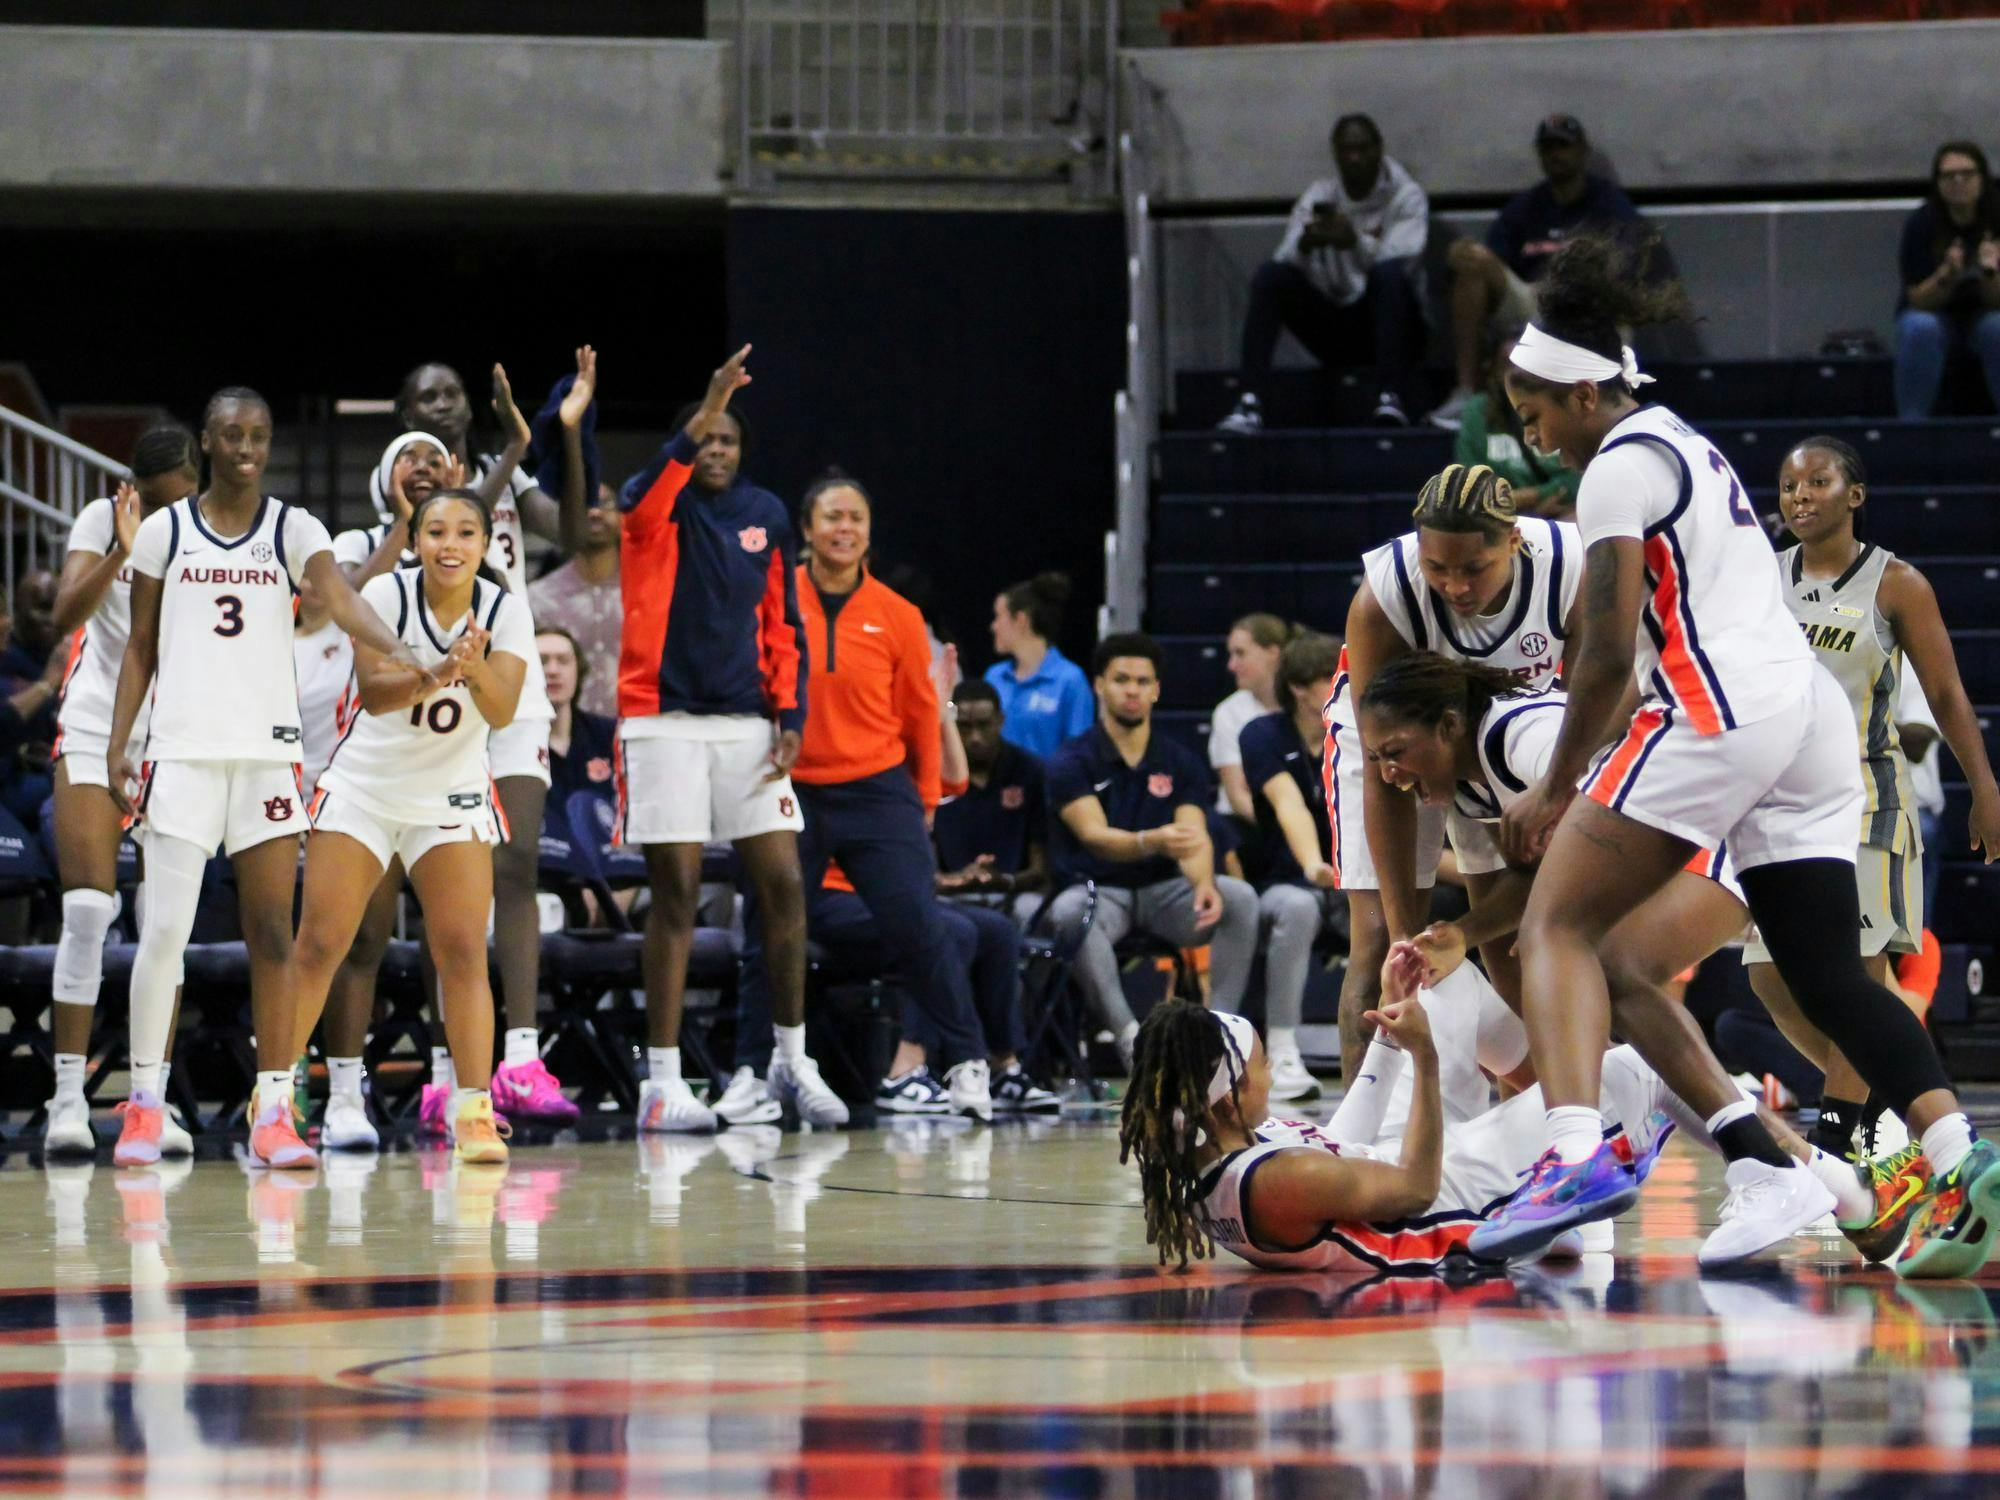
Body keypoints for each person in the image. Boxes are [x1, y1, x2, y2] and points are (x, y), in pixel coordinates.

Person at [1470, 236, 1998, 1280]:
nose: (1529, 434)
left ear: (1578, 393)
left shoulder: (1616, 470)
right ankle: (1956, 1154)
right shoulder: (1680, 437)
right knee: (1813, 973)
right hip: (1803, 721)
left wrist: (1554, 784)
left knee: (1555, 925)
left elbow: (1611, 651)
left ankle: (1573, 1158)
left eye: (1532, 413)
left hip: (1721, 713)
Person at [1358, 653, 1899, 1265]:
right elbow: (1550, 871)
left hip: (1729, 822)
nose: (1389, 771)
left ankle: (1599, 1162)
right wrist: (1464, 930)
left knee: (1601, 969)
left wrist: (1544, 925)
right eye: (1376, 759)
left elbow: (1615, 826)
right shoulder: (1472, 782)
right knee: (1635, 1030)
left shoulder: (1523, 738)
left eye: (1395, 750)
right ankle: (1829, 1182)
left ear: (1450, 726)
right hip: (1708, 822)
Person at [104, 386, 422, 1171]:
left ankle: (274, 1109)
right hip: (180, 751)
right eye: (232, 435)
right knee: (166, 932)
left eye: (259, 435)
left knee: (274, 936)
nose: (247, 447)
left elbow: (339, 596)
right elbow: (139, 645)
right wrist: (122, 741)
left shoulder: (294, 527)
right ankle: (144, 1106)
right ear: (207, 442)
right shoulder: (164, 533)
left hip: (267, 756)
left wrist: (401, 645)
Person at [1745, 437, 2000, 1170]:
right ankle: (1900, 1100)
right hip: (1778, 808)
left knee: (1855, 978)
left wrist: (1984, 789)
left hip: (1868, 805)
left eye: (1817, 482)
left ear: (1853, 495)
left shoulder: (1897, 584)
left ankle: (1843, 1147)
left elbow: (1948, 696)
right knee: (1770, 977)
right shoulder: (1763, 580)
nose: (1799, 496)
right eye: (1789, 485)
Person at [1122, 959, 1702, 1274]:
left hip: (1403, 1163)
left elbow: (1334, 1146)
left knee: (1447, 988)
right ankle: (1779, 1161)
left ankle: (1564, 1221)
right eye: (1263, 1064)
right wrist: (1422, 1058)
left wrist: (1391, 1036)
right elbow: (1417, 1189)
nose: (1271, 1074)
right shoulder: (1276, 1181)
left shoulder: (1209, 1147)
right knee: (1643, 1063)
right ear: (1227, 1096)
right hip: (1462, 1198)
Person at [616, 345, 843, 1134]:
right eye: (705, 438)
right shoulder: (655, 506)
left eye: (728, 441)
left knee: (782, 882)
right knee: (675, 893)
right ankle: (663, 1081)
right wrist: (709, 398)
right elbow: (642, 498)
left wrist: (792, 714)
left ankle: (790, 1059)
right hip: (662, 720)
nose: (717, 450)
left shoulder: (768, 514)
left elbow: (784, 622)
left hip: (749, 724)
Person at [283, 486, 531, 1165]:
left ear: (485, 545)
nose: (451, 544)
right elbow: (376, 692)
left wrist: (473, 669)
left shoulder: (505, 610)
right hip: (365, 787)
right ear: (417, 539)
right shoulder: (388, 595)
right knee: (321, 943)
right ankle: (274, 1101)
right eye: (437, 532)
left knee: (461, 953)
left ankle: (474, 1112)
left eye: (466, 533)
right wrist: (437, 671)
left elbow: (504, 711)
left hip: (448, 796)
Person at [391, 350, 595, 1125]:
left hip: (509, 685)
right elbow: (452, 521)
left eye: (452, 392)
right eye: (426, 395)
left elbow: (574, 533)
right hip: (437, 695)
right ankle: (450, 1072)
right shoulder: (404, 488)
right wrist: (515, 448)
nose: (443, 404)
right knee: (450, 887)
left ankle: (520, 1058)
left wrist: (564, 436)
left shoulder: (509, 479)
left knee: (516, 866)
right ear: (406, 416)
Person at [1325, 463, 1579, 1085]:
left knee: (1504, 933)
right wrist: (1407, 937)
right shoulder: (1386, 592)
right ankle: (1368, 1150)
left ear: (1514, 541)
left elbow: (1611, 677)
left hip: (1488, 740)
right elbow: (1385, 762)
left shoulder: (1571, 565)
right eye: (1438, 568)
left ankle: (1549, 1122)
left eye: (1473, 568)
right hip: (1393, 735)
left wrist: (1553, 789)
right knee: (1383, 941)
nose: (1455, 586)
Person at [782, 471, 994, 1120]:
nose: (844, 529)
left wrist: (925, 800)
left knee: (921, 928)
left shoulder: (899, 616)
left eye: (856, 518)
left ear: (869, 532)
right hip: (791, 788)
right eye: (832, 517)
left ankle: (968, 1062)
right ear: (807, 528)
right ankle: (755, 1069)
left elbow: (920, 715)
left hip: (877, 791)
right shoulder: (774, 598)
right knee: (770, 929)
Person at [40, 426, 201, 1158]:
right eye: (156, 504)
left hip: (172, 734)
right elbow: (63, 615)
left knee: (163, 924)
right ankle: (68, 1099)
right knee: (86, 909)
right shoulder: (107, 519)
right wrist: (122, 551)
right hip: (93, 720)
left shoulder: (214, 534)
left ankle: (149, 1101)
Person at [1044, 633, 1260, 1068]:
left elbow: (1193, 833)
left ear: (1156, 689)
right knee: (1070, 913)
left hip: (1166, 890)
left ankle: (1218, 1034)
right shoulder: (1072, 759)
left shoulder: (1178, 760)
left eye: (1143, 681)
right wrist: (1151, 840)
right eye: (1121, 679)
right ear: (1099, 685)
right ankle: (1131, 1040)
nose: (1132, 690)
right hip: (1099, 889)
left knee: (1238, 897)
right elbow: (1095, 836)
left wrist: (1202, 883)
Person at [1217, 113, 1428, 432]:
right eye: (1346, 150)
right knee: (1270, 276)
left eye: (1362, 149)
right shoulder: (1320, 195)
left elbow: (1403, 267)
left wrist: (1353, 242)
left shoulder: (1406, 197)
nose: (1354, 158)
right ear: (1336, 154)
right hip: (1338, 327)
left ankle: (1391, 395)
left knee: (1389, 277)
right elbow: (1283, 259)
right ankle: (1250, 401)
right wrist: (1306, 244)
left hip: (1394, 330)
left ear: (1379, 150)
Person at [1429, 115, 1641, 429]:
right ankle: (1466, 393)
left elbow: (1627, 266)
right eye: (1548, 147)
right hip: (1535, 300)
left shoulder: (1608, 204)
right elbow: (1495, 265)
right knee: (1470, 258)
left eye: (1563, 146)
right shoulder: (1524, 208)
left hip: (1591, 311)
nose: (1556, 154)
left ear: (1582, 151)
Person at [1238, 631, 1343, 1105]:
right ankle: (1281, 1047)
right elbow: (1289, 803)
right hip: (1282, 878)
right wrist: (1313, 864)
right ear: (1300, 689)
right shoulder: (1262, 734)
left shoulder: (1357, 735)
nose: (1345, 686)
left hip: (1352, 877)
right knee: (1298, 907)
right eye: (1332, 679)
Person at [1893, 141, 2000, 418]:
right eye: (1949, 176)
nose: (1958, 182)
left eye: (1967, 174)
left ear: (1982, 178)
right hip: (1936, 316)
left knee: (1997, 327)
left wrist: (1990, 273)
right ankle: (1912, 429)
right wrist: (1946, 277)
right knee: (1919, 327)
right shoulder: (1922, 223)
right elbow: (1916, 299)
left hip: (1986, 316)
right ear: (1938, 183)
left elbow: (1997, 301)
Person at [933, 679, 1049, 902]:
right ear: (950, 724)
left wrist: (1004, 880)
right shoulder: (932, 774)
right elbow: (924, 868)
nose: (975, 737)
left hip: (1017, 893)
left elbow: (1041, 869)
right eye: (965, 727)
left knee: (1034, 908)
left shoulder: (1031, 771)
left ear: (1000, 721)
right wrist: (956, 879)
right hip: (948, 896)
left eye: (984, 725)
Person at [1450, 327, 1580, 519]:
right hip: (1496, 519)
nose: (1516, 376)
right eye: (1506, 365)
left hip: (1556, 515)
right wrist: (1531, 500)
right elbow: (1469, 485)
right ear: (1492, 369)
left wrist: (1520, 503)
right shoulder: (1477, 411)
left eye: (1523, 367)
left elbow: (1574, 479)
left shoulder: (1557, 408)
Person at [530, 482, 622, 717]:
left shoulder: (645, 592)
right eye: (584, 506)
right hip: (565, 734)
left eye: (606, 504)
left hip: (634, 730)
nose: (595, 512)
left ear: (623, 516)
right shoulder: (539, 597)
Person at [984, 572, 1094, 757]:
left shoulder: (1070, 680)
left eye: (998, 616)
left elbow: (1079, 752)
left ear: (1021, 620)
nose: (993, 626)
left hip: (1048, 784)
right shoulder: (994, 676)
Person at [1208, 613, 1290, 825]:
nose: (1231, 665)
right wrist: (1292, 830)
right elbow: (1237, 797)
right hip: (1244, 825)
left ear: (1273, 653)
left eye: (1240, 654)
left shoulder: (1304, 703)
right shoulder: (1229, 711)